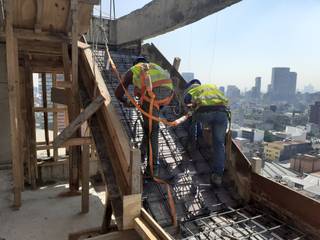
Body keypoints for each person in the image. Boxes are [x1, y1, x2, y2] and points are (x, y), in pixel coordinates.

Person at [115, 56, 173, 176]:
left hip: (152, 94)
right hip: (167, 95)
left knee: (153, 130)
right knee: (148, 126)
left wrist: (125, 101)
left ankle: (152, 169)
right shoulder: (154, 66)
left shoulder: (134, 69)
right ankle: (143, 152)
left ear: (135, 63)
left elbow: (118, 92)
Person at [184, 79, 230, 186]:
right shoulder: (212, 88)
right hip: (222, 114)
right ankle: (217, 176)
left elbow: (187, 105)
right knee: (219, 144)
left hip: (205, 113)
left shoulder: (192, 91)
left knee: (191, 119)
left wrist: (190, 111)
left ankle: (192, 145)